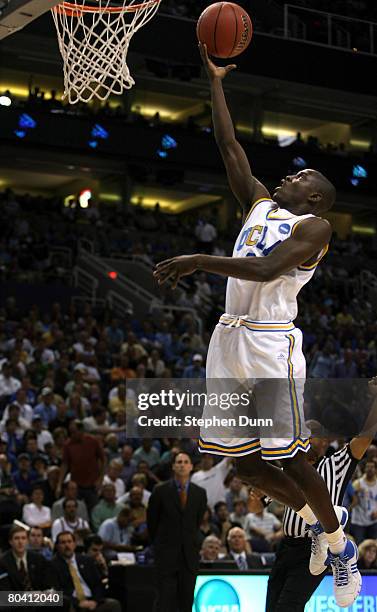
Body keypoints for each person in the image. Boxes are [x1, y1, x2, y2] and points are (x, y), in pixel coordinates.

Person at [153, 43, 360, 607]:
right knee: (240, 461)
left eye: (303, 174)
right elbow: (228, 146)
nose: (290, 175)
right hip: (229, 335)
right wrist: (215, 81)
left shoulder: (315, 227)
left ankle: (340, 546)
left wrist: (199, 261)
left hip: (271, 342)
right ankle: (319, 520)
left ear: (314, 197)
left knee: (288, 457)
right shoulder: (260, 205)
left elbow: (269, 268)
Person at [266, 382, 377, 612]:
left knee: (287, 607)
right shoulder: (288, 469)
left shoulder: (335, 464)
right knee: (272, 606)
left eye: (312, 434)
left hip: (314, 548)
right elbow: (256, 506)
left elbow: (365, 437)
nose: (305, 437)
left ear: (325, 441)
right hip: (285, 547)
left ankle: (340, 547)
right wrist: (256, 493)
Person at [147, 452, 207, 612]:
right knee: (164, 601)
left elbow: (196, 522)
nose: (182, 464)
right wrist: (161, 545)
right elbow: (152, 522)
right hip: (166, 555)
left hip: (189, 556)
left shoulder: (200, 493)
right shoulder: (160, 491)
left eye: (185, 462)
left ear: (191, 467)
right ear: (173, 466)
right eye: (179, 462)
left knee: (186, 601)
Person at [52, 531, 121, 612]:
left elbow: (98, 584)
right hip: (72, 603)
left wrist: (95, 601)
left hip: (92, 600)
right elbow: (57, 591)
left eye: (69, 542)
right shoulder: (53, 565)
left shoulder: (86, 560)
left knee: (113, 604)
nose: (67, 545)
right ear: (57, 546)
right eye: (63, 543)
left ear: (74, 544)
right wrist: (77, 603)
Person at [56, 420, 105, 512]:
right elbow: (65, 464)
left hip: (92, 484)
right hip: (76, 485)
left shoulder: (93, 441)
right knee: (75, 510)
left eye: (74, 432)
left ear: (81, 430)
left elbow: (103, 460)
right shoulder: (68, 445)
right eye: (71, 432)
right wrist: (59, 484)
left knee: (94, 510)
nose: (72, 435)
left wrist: (100, 479)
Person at [0, 525, 55, 591]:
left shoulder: (38, 558)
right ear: (10, 541)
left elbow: (47, 584)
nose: (20, 542)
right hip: (16, 599)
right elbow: (5, 594)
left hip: (39, 598)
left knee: (62, 599)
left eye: (23, 538)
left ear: (27, 541)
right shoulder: (3, 562)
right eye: (16, 538)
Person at [350, 459, 377, 544]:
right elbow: (350, 501)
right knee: (359, 545)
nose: (370, 469)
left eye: (372, 467)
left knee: (373, 545)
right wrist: (355, 493)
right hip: (359, 521)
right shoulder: (357, 483)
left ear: (375, 469)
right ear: (364, 469)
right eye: (368, 467)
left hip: (372, 520)